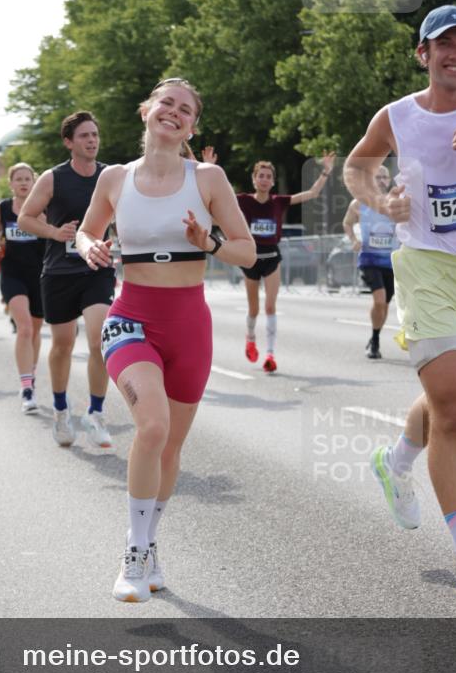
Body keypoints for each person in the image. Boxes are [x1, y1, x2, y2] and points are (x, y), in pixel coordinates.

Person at [76, 78, 255, 602]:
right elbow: (87, 231)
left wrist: (211, 241)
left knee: (171, 444)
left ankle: (150, 543)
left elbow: (247, 253)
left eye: (185, 110)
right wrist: (91, 247)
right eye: (166, 104)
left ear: (192, 126)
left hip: (188, 324)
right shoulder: (114, 177)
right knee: (151, 426)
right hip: (130, 316)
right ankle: (132, 554)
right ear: (146, 112)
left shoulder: (209, 178)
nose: (173, 113)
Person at [344, 4, 456, 608]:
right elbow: (358, 165)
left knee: (447, 401)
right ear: (423, 54)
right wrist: (380, 202)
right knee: (454, 412)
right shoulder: (397, 116)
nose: (455, 54)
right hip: (424, 265)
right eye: (444, 45)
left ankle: (396, 458)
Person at [18, 112, 115, 448]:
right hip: (58, 272)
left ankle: (96, 413)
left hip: (97, 270)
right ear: (69, 142)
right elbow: (25, 217)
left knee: (100, 341)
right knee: (62, 346)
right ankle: (60, 410)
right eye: (85, 135)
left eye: (95, 134)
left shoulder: (110, 176)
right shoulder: (53, 178)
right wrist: (54, 232)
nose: (92, 140)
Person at [236, 154, 335, 371]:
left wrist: (326, 171)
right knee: (254, 309)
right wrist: (207, 166)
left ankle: (270, 355)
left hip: (272, 257)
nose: (264, 179)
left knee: (270, 307)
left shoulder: (279, 202)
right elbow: (216, 196)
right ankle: (251, 338)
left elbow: (312, 193)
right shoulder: (243, 200)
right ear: (254, 179)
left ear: (272, 182)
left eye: (268, 176)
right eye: (260, 176)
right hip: (251, 258)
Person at [0, 163, 46, 413]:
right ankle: (26, 388)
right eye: (18, 179)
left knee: (34, 331)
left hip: (41, 274)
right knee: (23, 328)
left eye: (27, 179)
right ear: (11, 184)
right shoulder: (1, 208)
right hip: (12, 273)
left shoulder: (44, 206)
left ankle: (30, 375)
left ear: (34, 183)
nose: (23, 183)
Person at [342, 165, 399, 358]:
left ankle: (375, 336)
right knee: (380, 299)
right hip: (369, 259)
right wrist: (354, 240)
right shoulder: (359, 203)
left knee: (385, 304)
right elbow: (347, 222)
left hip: (391, 261)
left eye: (385, 177)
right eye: (378, 177)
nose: (382, 181)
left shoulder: (396, 203)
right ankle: (374, 342)